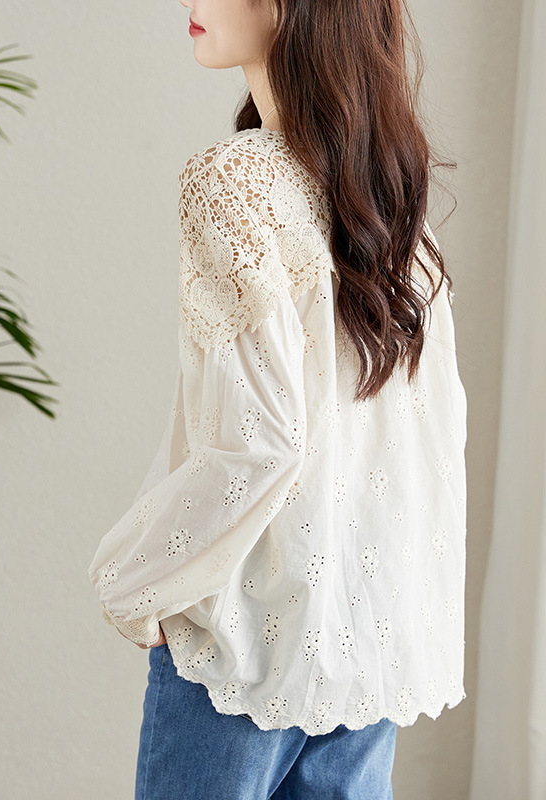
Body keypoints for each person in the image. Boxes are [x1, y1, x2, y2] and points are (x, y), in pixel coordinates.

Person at [86, 0, 468, 796]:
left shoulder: (232, 180)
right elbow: (433, 433)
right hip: (366, 644)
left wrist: (132, 581)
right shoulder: (387, 192)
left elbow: (259, 443)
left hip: (247, 645)